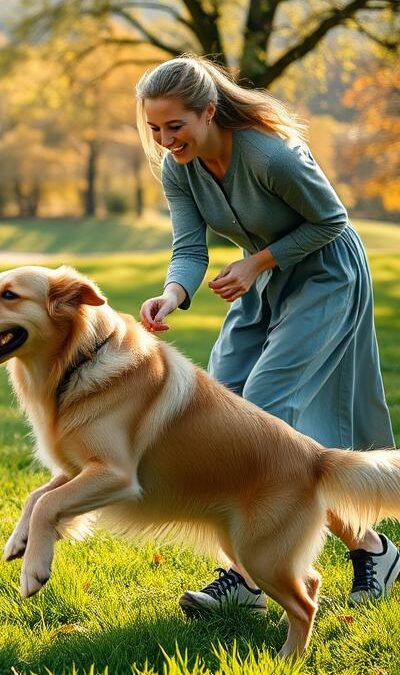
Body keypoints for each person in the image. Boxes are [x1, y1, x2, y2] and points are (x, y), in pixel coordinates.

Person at [134, 54, 398, 615]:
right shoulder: (178, 169)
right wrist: (173, 295)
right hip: (267, 281)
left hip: (327, 276)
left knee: (264, 417)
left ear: (208, 112)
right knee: (219, 414)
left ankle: (249, 579)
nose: (165, 139)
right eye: (155, 129)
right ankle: (370, 547)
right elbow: (189, 246)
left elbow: (332, 221)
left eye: (175, 126)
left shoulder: (269, 154)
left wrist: (257, 263)